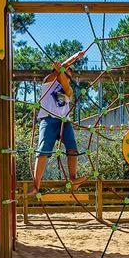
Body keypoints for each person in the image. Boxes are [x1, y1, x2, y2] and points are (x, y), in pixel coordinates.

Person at [29, 50, 88, 196]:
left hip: (64, 122)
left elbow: (66, 86)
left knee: (72, 148)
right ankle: (36, 185)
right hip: (48, 120)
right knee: (42, 151)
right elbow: (60, 71)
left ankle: (73, 179)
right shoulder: (48, 82)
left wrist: (63, 68)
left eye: (70, 76)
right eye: (67, 74)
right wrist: (74, 58)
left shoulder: (68, 90)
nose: (69, 77)